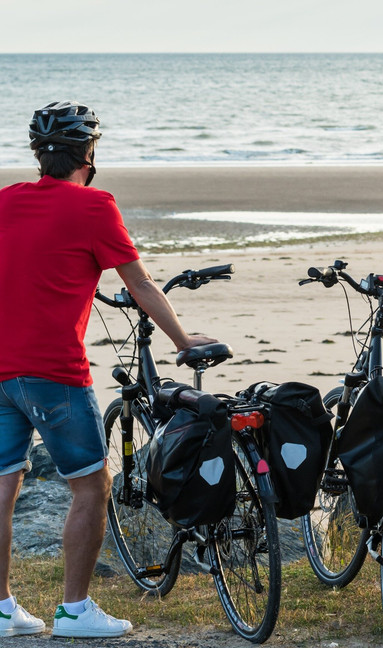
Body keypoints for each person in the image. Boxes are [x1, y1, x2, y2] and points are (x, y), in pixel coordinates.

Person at [0, 102, 217, 639]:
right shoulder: (95, 206)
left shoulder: (5, 202)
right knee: (92, 487)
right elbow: (141, 286)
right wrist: (183, 340)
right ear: (89, 156)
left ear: (37, 156)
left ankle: (2, 608)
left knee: (3, 487)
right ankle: (74, 610)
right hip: (52, 372)